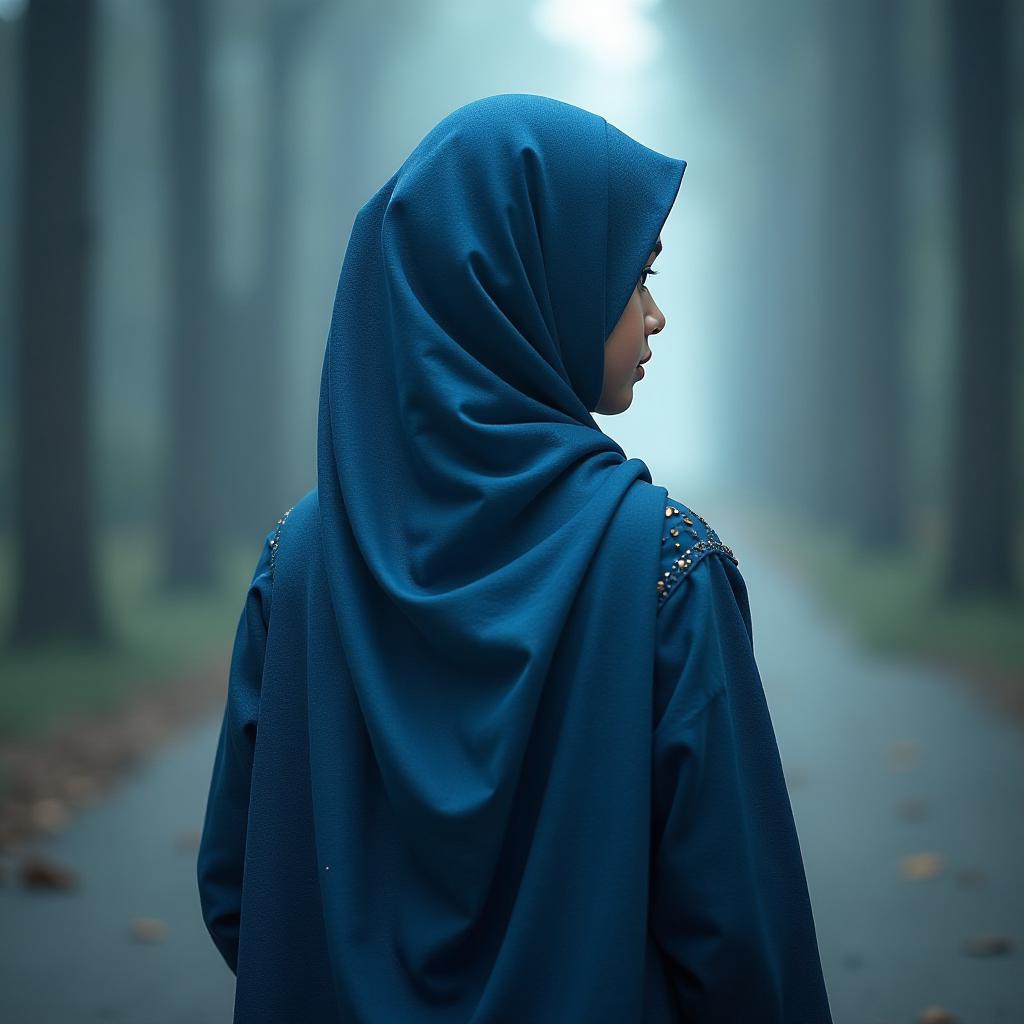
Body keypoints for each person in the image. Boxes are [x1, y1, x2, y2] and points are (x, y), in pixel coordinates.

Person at [197, 93, 834, 1022]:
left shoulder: (299, 566)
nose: (655, 317)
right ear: (529, 282)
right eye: (634, 276)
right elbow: (738, 932)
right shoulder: (662, 568)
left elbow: (238, 892)